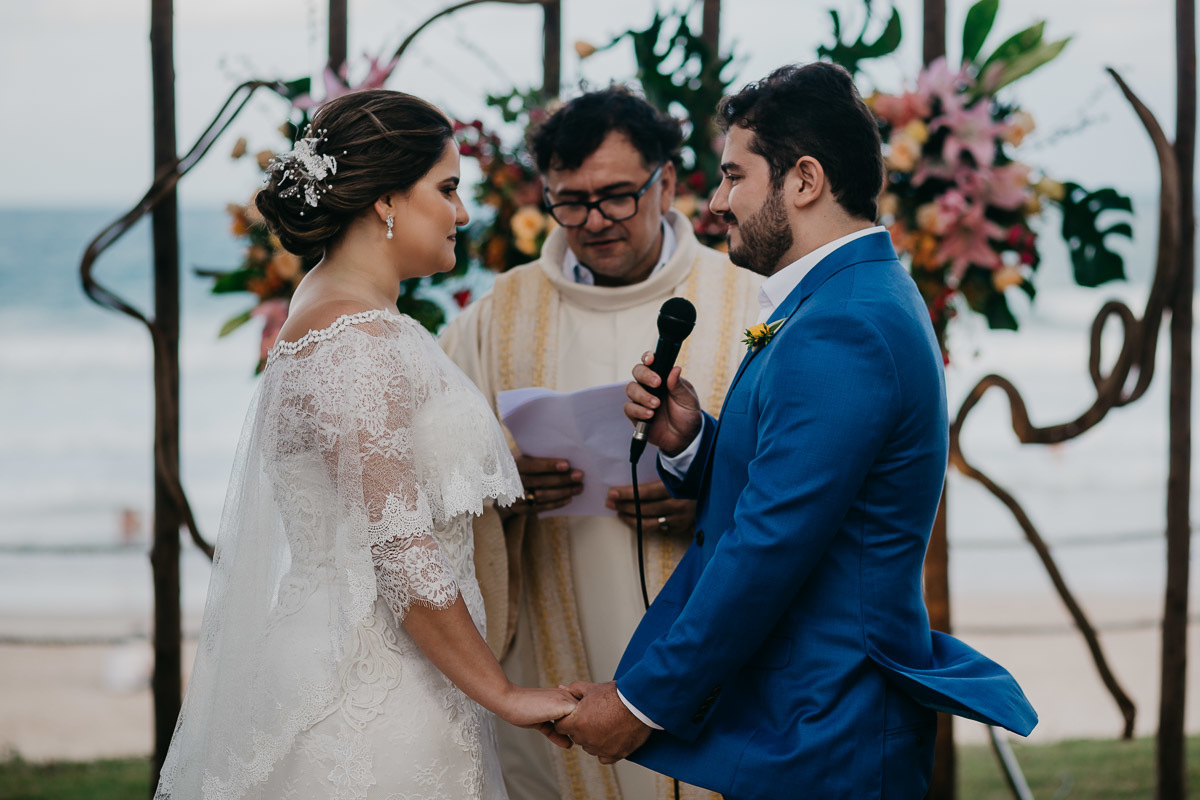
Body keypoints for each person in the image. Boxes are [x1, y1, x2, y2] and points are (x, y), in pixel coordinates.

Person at [555, 63, 1038, 799]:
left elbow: (769, 543)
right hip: (807, 723)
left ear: (804, 180)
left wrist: (640, 702)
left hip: (827, 732)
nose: (716, 201)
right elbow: (807, 490)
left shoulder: (843, 323)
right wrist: (692, 440)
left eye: (733, 175)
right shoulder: (844, 299)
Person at [154, 89, 576, 800]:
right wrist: (506, 695)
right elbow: (399, 544)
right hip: (368, 697)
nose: (464, 214)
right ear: (385, 201)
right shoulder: (353, 343)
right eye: (447, 189)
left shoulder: (356, 321)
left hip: (412, 677)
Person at [440, 87, 761, 800]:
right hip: (552, 642)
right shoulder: (498, 316)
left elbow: (798, 472)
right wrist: (502, 487)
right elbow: (426, 475)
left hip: (711, 648)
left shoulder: (748, 302)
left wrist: (701, 490)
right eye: (571, 200)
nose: (595, 221)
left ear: (667, 183)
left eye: (617, 196)